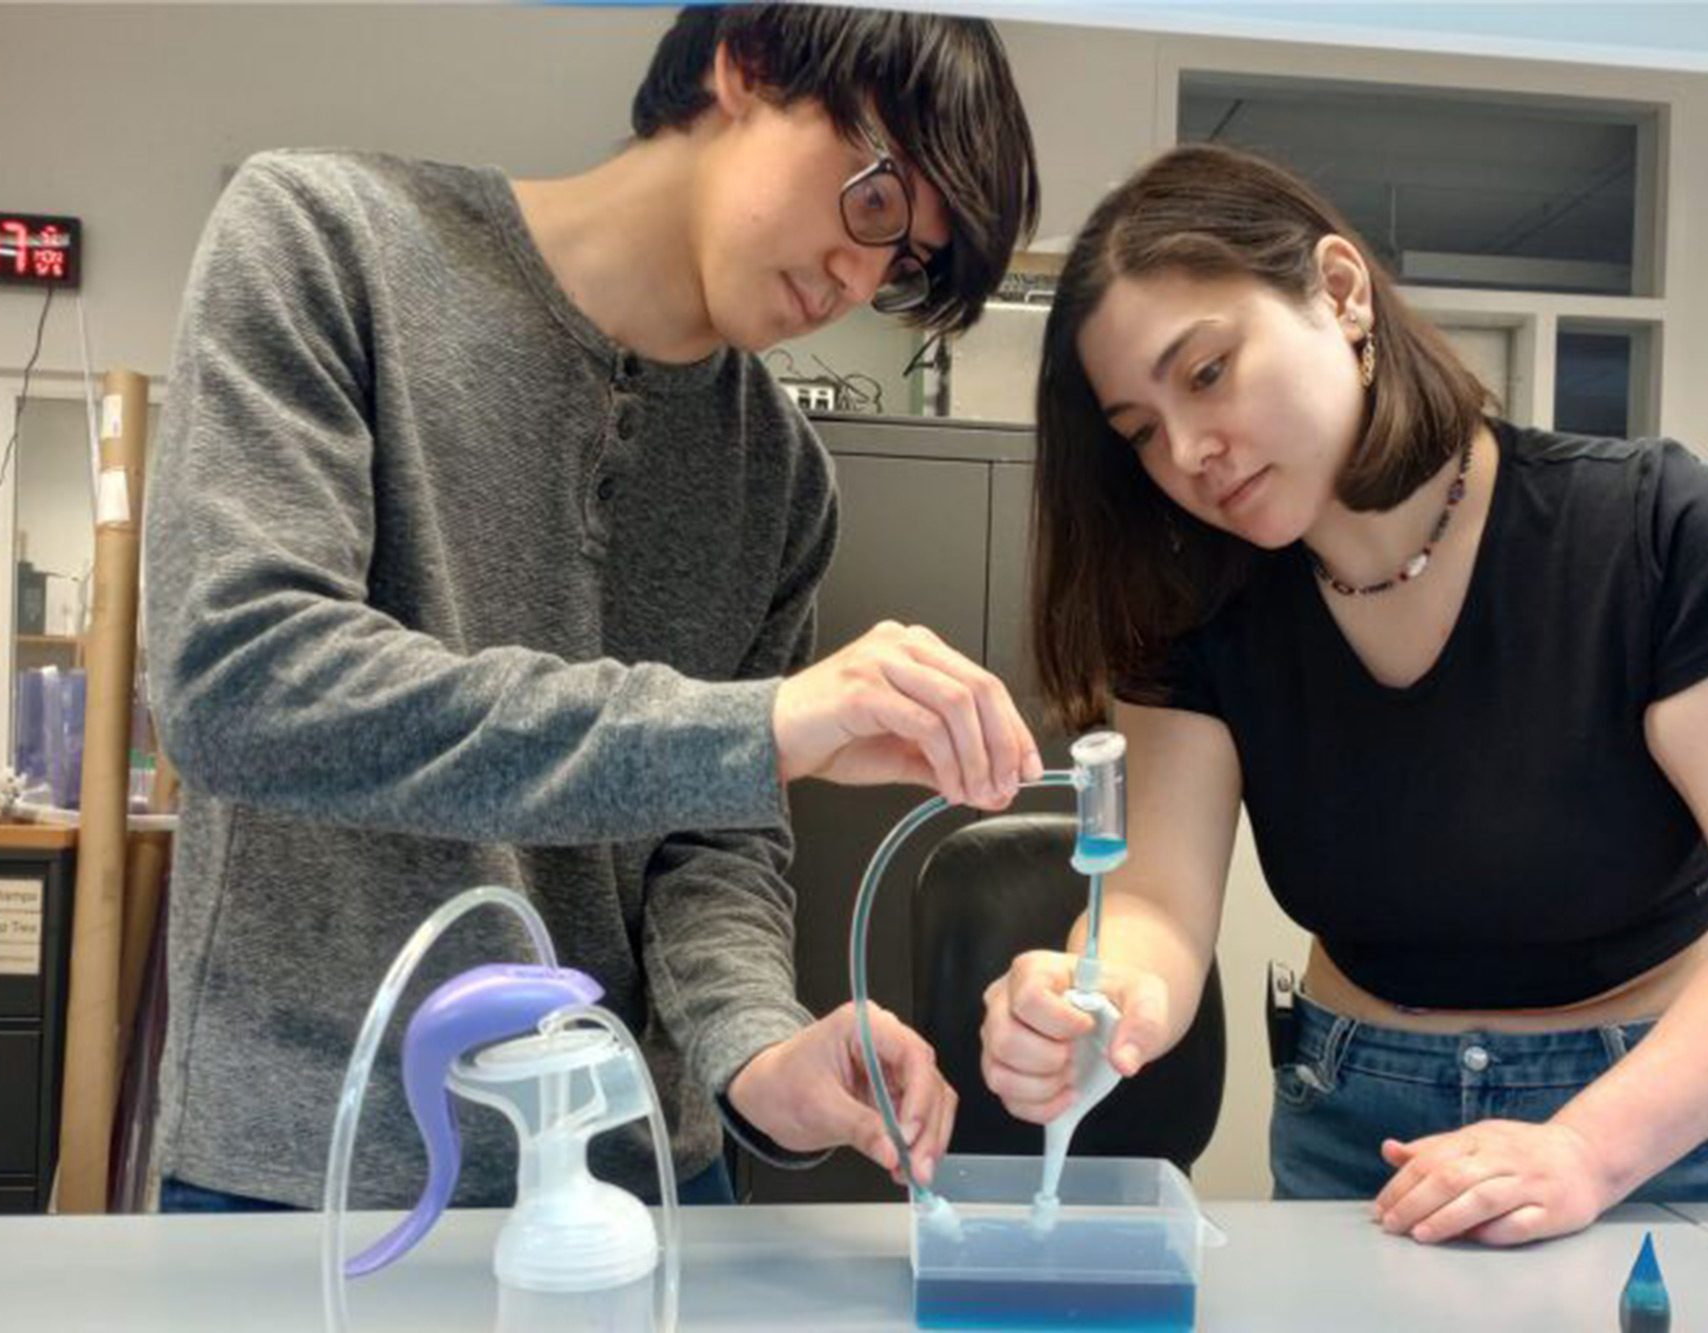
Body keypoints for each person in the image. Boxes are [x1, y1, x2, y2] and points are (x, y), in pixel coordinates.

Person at [144, 4, 1042, 1212]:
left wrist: (758, 1049)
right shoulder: (325, 240)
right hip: (315, 1182)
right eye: (875, 202)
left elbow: (712, 846)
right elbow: (241, 683)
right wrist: (754, 726)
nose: (856, 276)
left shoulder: (775, 477)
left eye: (903, 262)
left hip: (639, 1186)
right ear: (748, 63)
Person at [979, 143, 1708, 1245]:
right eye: (1138, 433)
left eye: (1207, 372)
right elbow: (1160, 908)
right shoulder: (1195, 602)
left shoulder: (1650, 533)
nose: (1187, 451)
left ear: (1341, 292)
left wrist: (1584, 1149)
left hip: (1670, 1120)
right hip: (1361, 1113)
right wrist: (1109, 996)